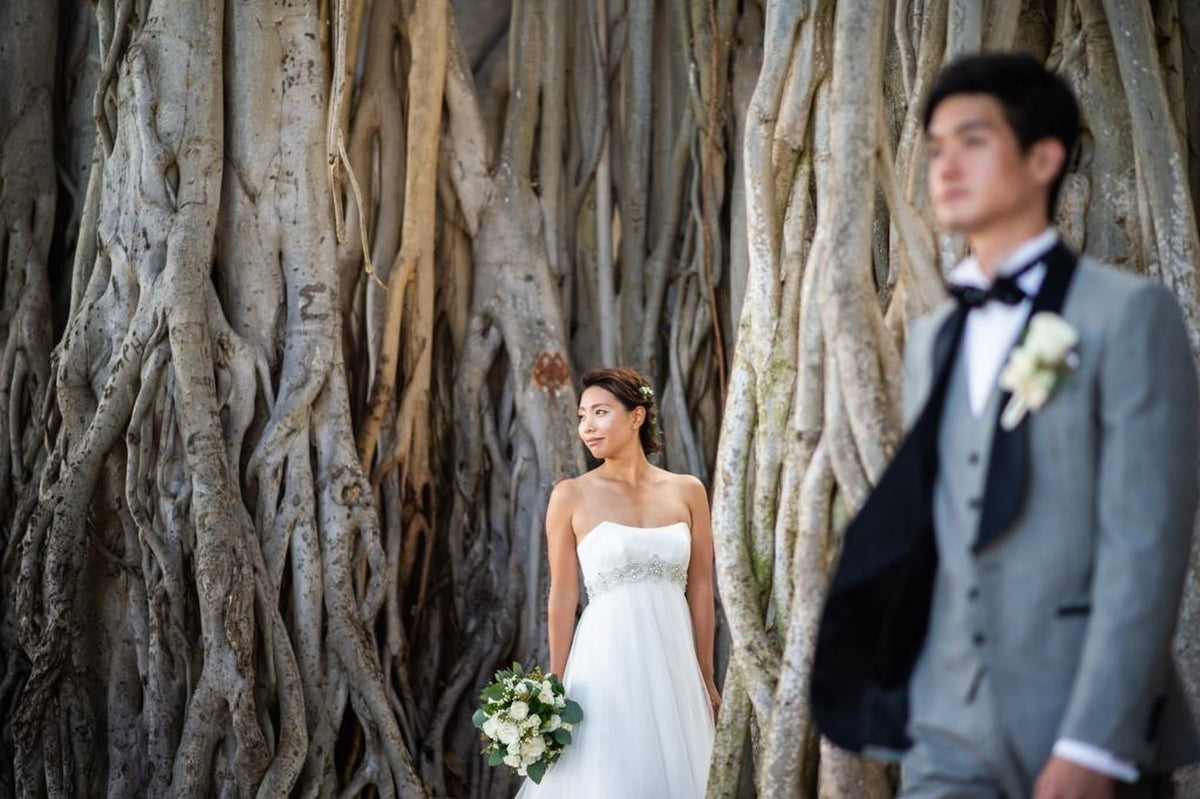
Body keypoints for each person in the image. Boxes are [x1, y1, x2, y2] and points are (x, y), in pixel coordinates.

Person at [811, 52, 1200, 799]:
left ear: (1042, 157)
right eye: (936, 148)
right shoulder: (934, 338)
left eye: (974, 140)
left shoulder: (1127, 315)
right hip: (945, 728)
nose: (946, 164)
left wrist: (1097, 740)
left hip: (1077, 719)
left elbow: (1145, 544)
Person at [515, 367, 718, 798]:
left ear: (636, 416)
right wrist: (555, 680)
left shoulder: (688, 491)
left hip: (673, 660)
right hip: (604, 659)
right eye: (581, 416)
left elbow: (701, 589)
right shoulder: (570, 495)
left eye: (600, 412)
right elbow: (564, 594)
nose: (587, 426)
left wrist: (706, 673)